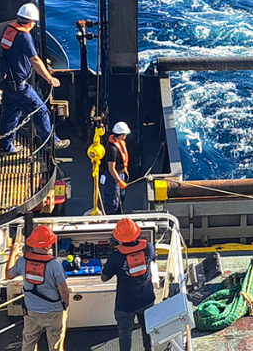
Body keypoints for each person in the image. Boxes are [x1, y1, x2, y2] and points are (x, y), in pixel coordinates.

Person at [0, 2, 70, 153]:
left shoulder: (8, 29)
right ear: (31, 23)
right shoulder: (24, 36)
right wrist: (49, 79)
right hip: (20, 85)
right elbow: (35, 60)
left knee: (10, 114)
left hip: (7, 82)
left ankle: (6, 147)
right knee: (40, 110)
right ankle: (50, 142)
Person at [5, 224, 71, 351]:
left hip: (32, 311)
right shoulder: (55, 265)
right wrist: (66, 304)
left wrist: (13, 253)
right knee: (55, 344)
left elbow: (8, 275)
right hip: (53, 311)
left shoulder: (23, 261)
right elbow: (63, 290)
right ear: (47, 246)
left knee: (29, 342)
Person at [101, 217, 156, 351]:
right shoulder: (149, 247)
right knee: (148, 328)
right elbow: (152, 260)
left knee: (125, 332)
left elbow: (104, 278)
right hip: (146, 297)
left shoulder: (116, 256)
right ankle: (149, 349)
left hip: (125, 301)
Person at [100, 121, 132, 215]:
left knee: (121, 196)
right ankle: (112, 218)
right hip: (113, 178)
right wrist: (119, 181)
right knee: (112, 201)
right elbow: (111, 168)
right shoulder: (112, 149)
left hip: (121, 173)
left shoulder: (120, 144)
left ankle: (118, 215)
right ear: (121, 135)